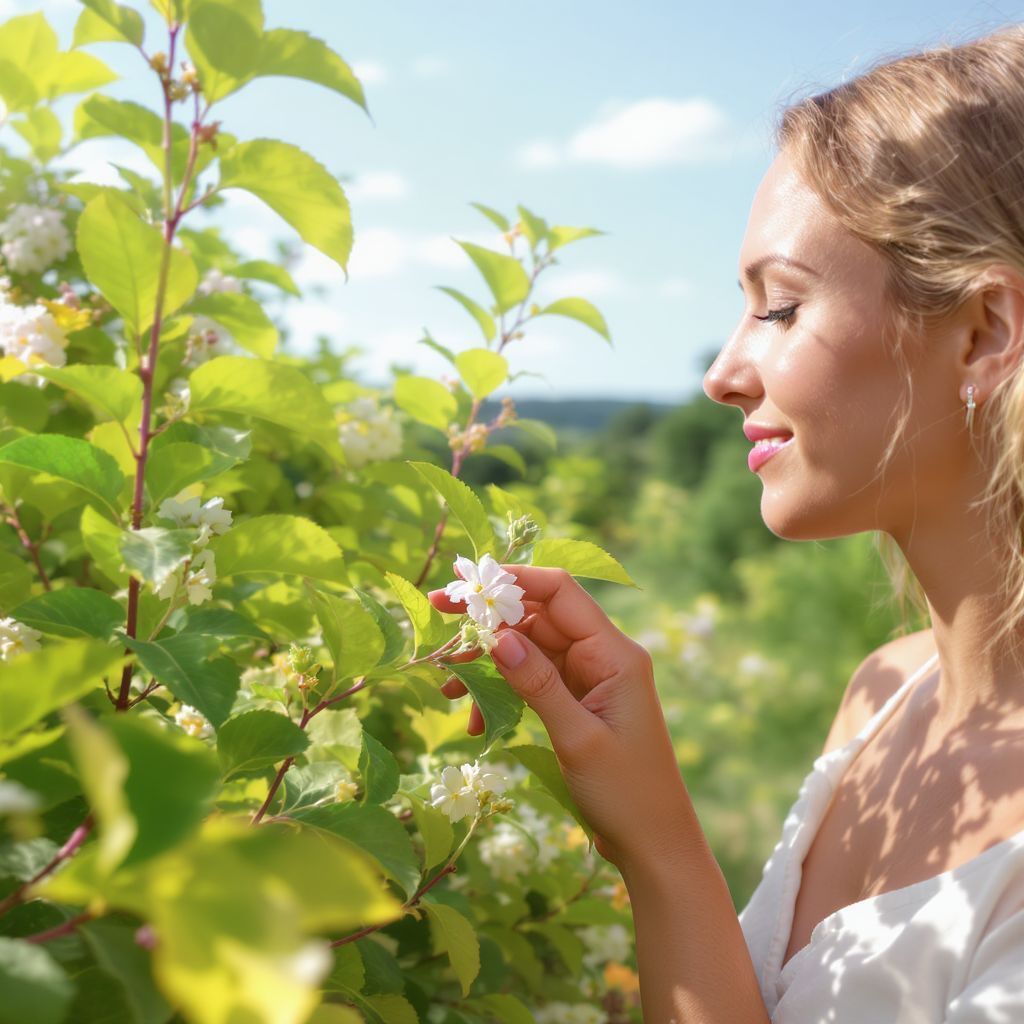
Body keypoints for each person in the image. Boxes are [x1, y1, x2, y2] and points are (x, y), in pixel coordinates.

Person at [430, 23, 1024, 1022]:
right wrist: (654, 835)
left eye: (782, 308)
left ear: (982, 335)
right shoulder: (884, 694)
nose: (721, 373)